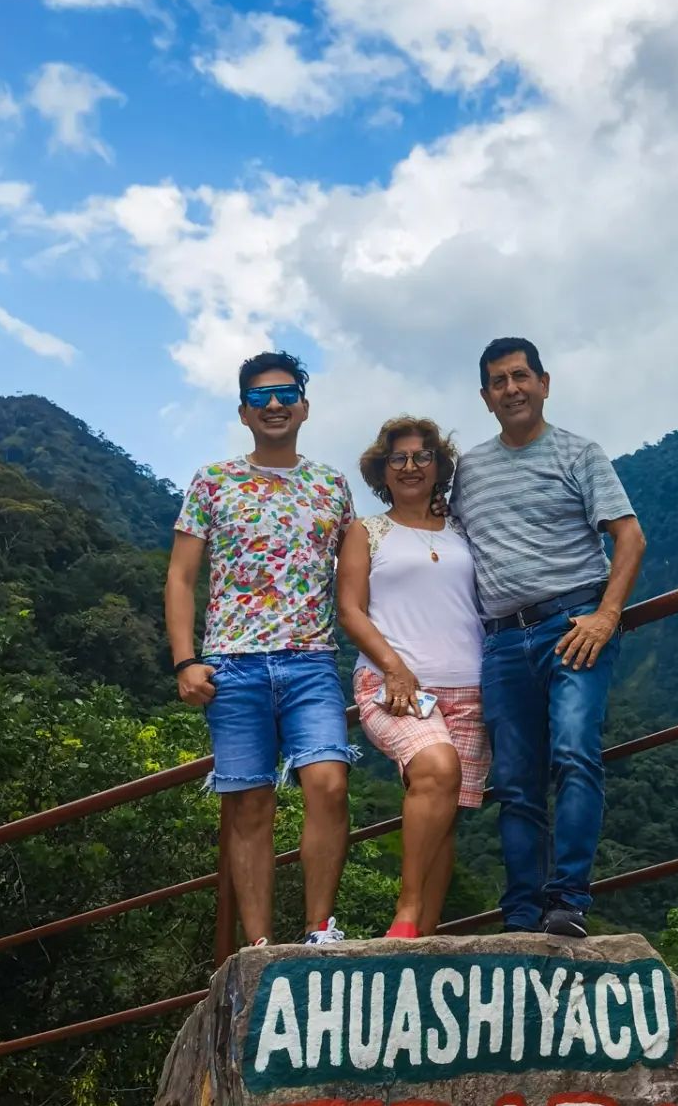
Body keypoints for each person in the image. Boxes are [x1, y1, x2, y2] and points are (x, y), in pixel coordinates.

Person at [453, 337, 646, 939]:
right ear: (485, 398)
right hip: (503, 640)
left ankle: (568, 901)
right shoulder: (470, 472)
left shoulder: (579, 454)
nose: (511, 389)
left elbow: (630, 537)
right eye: (498, 382)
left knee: (573, 753)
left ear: (544, 382)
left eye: (520, 377)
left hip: (573, 627)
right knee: (514, 783)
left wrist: (607, 615)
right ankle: (521, 913)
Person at [165, 351, 358, 949]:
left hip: (311, 662)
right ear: (244, 412)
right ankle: (258, 948)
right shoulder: (212, 481)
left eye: (284, 393)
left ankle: (319, 930)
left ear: (303, 404)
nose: (273, 405)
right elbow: (180, 577)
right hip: (232, 665)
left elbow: (355, 585)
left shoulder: (332, 486)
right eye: (259, 397)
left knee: (328, 783)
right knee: (249, 806)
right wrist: (185, 660)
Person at [338, 417, 489, 939]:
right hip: (392, 684)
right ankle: (406, 912)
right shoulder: (367, 531)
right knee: (434, 766)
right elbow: (351, 611)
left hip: (470, 688)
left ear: (438, 467)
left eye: (421, 457)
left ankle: (422, 937)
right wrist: (395, 668)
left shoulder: (462, 530)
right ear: (382, 470)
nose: (409, 467)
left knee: (443, 815)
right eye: (397, 459)